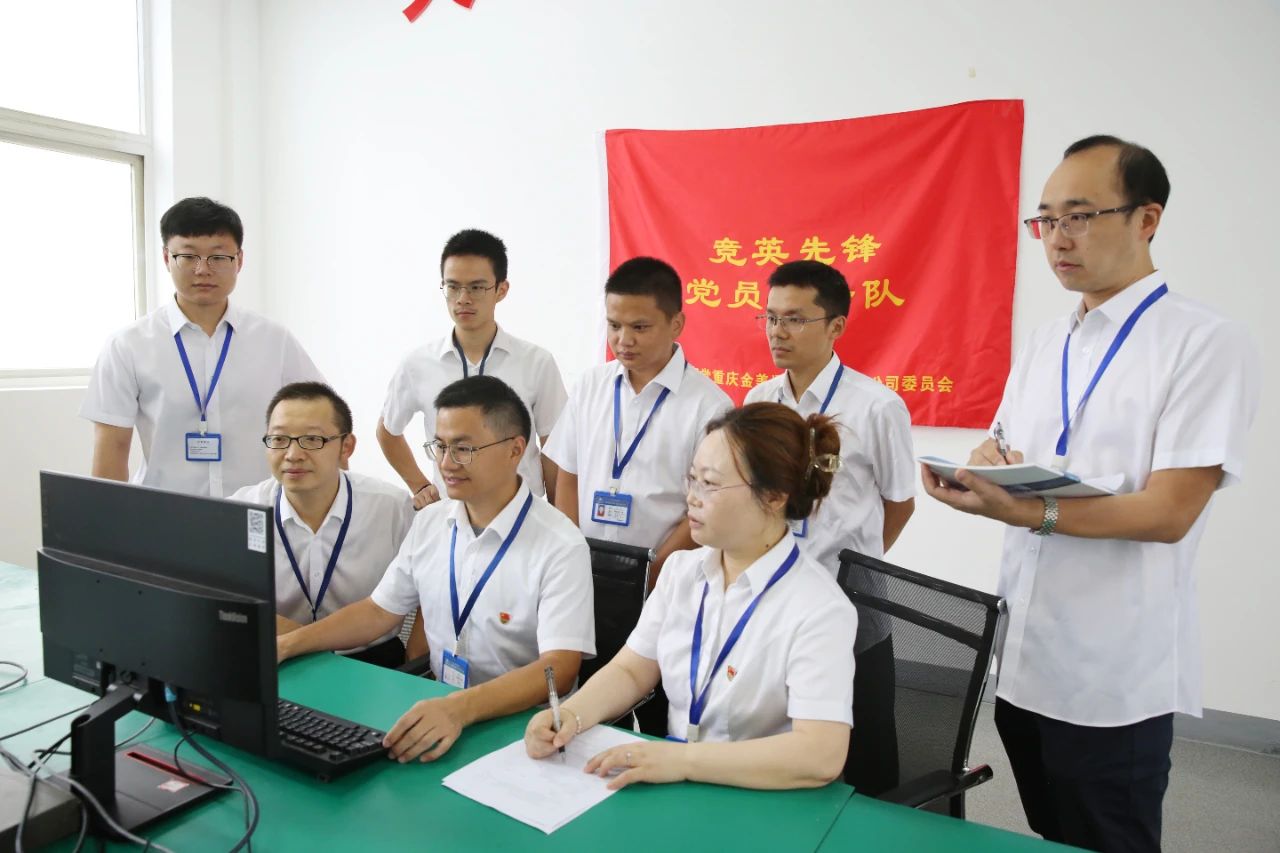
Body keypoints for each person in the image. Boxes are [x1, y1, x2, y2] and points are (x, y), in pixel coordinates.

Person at [922, 136, 1259, 852]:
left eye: (1079, 216)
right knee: (1050, 835)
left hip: (1113, 677)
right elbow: (1000, 443)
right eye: (1045, 219)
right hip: (1023, 660)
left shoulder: (1204, 342)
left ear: (1147, 218)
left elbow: (1170, 511)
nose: (1057, 238)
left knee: (1110, 838)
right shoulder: (1047, 342)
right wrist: (983, 468)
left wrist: (1028, 511)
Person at [526, 403, 856, 791]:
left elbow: (820, 754)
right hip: (677, 782)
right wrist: (570, 715)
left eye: (710, 484)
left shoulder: (819, 608)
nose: (692, 498)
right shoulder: (682, 572)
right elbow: (632, 671)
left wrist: (682, 761)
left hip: (760, 796)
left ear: (773, 497)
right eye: (692, 479)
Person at [279, 376, 595, 763]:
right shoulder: (431, 522)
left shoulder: (560, 545)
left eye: (463, 449)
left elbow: (559, 668)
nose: (445, 463)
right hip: (440, 710)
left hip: (527, 729)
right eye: (440, 446)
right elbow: (378, 612)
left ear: (515, 450)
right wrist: (287, 645)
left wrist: (460, 708)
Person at [744, 259, 916, 794]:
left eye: (795, 319)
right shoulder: (759, 402)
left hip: (851, 600)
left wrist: (855, 565)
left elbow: (900, 503)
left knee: (865, 755)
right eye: (771, 317)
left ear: (836, 325)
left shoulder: (876, 407)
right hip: (773, 594)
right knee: (778, 735)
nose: (778, 331)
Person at [80, 196, 323, 497]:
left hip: (257, 510)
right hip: (165, 511)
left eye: (218, 257)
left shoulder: (275, 341)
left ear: (239, 260)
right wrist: (107, 523)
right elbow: (113, 448)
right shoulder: (128, 345)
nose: (203, 270)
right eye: (188, 256)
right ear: (167, 258)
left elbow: (322, 422)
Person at [544, 256, 732, 583]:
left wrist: (653, 574)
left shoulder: (710, 407)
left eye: (639, 327)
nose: (624, 340)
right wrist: (572, 557)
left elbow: (708, 502)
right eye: (614, 325)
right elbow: (569, 476)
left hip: (664, 579)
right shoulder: (590, 385)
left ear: (676, 324)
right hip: (582, 571)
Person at [377, 229, 567, 509]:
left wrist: (558, 516)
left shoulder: (536, 362)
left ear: (501, 290)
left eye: (476, 287)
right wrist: (420, 486)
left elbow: (556, 450)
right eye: (452, 287)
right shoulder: (418, 363)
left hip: (522, 515)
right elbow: (388, 431)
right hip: (450, 514)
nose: (462, 298)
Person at [230, 382, 414, 668]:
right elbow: (227, 603)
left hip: (372, 661)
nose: (293, 454)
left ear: (346, 447)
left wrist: (414, 665)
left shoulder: (392, 507)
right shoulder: (239, 511)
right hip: (275, 656)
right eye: (279, 439)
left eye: (312, 440)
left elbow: (428, 592)